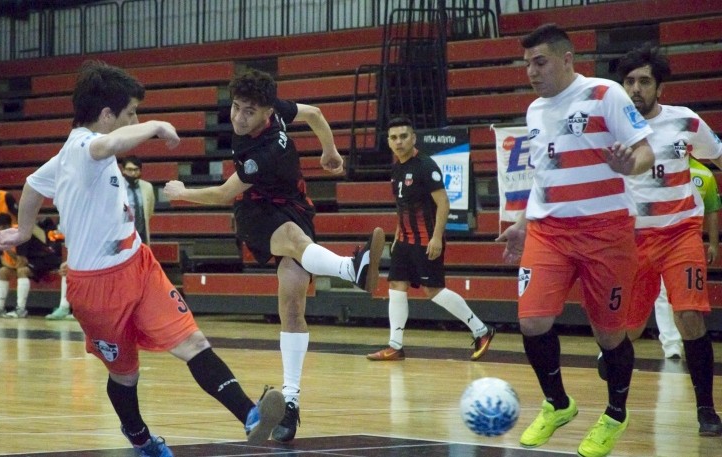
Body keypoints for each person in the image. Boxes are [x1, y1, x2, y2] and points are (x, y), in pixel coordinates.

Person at [0, 60, 285, 457]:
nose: (136, 119)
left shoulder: (67, 154)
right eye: (131, 113)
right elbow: (105, 146)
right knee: (125, 374)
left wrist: (23, 231)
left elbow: (32, 186)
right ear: (108, 115)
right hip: (94, 288)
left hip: (137, 266)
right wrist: (157, 126)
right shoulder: (83, 148)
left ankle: (250, 415)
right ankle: (140, 438)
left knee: (192, 341)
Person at [164, 68, 385, 443]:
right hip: (259, 214)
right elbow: (314, 115)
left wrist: (181, 190)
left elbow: (221, 194)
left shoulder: (263, 150)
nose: (238, 117)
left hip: (288, 205)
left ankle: (291, 403)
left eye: (249, 111)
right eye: (235, 107)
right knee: (296, 242)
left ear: (267, 113)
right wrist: (329, 151)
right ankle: (351, 269)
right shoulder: (274, 114)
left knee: (293, 307)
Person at [496, 24, 655, 457]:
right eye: (526, 63)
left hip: (607, 231)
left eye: (540, 61)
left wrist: (630, 165)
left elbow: (645, 152)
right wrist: (524, 224)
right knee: (531, 322)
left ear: (568, 59)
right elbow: (544, 175)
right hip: (549, 232)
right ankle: (557, 403)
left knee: (609, 334)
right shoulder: (534, 112)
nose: (531, 71)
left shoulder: (606, 94)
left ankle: (615, 414)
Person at [616, 44, 722, 436]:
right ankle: (616, 403)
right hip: (631, 240)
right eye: (629, 81)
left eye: (644, 81)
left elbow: (719, 156)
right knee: (627, 330)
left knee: (689, 318)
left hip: (681, 234)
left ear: (660, 88)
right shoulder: (610, 128)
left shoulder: (686, 122)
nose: (636, 88)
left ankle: (707, 410)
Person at [365, 116, 494, 362]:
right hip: (403, 241)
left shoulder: (426, 165)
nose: (399, 141)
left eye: (404, 136)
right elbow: (401, 206)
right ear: (389, 142)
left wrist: (436, 238)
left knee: (433, 290)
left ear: (413, 138)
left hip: (426, 239)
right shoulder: (396, 169)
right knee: (396, 286)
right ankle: (395, 346)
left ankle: (482, 330)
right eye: (393, 137)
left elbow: (444, 203)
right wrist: (395, 237)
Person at [652, 157, 720, 359]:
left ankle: (685, 342)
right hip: (657, 240)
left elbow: (712, 210)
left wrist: (714, 244)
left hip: (688, 244)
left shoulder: (705, 174)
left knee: (687, 304)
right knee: (663, 294)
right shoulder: (658, 168)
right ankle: (671, 345)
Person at [0, 212, 62, 318]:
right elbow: (5, 262)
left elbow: (22, 261)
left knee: (22, 271)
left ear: (3, 227)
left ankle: (21, 310)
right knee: (3, 271)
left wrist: (7, 250)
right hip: (32, 260)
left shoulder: (19, 235)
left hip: (46, 259)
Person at [120, 155, 155, 244]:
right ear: (123, 170)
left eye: (136, 169)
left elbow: (149, 211)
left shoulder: (147, 187)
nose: (133, 173)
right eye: (129, 169)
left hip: (141, 233)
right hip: (123, 234)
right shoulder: (117, 188)